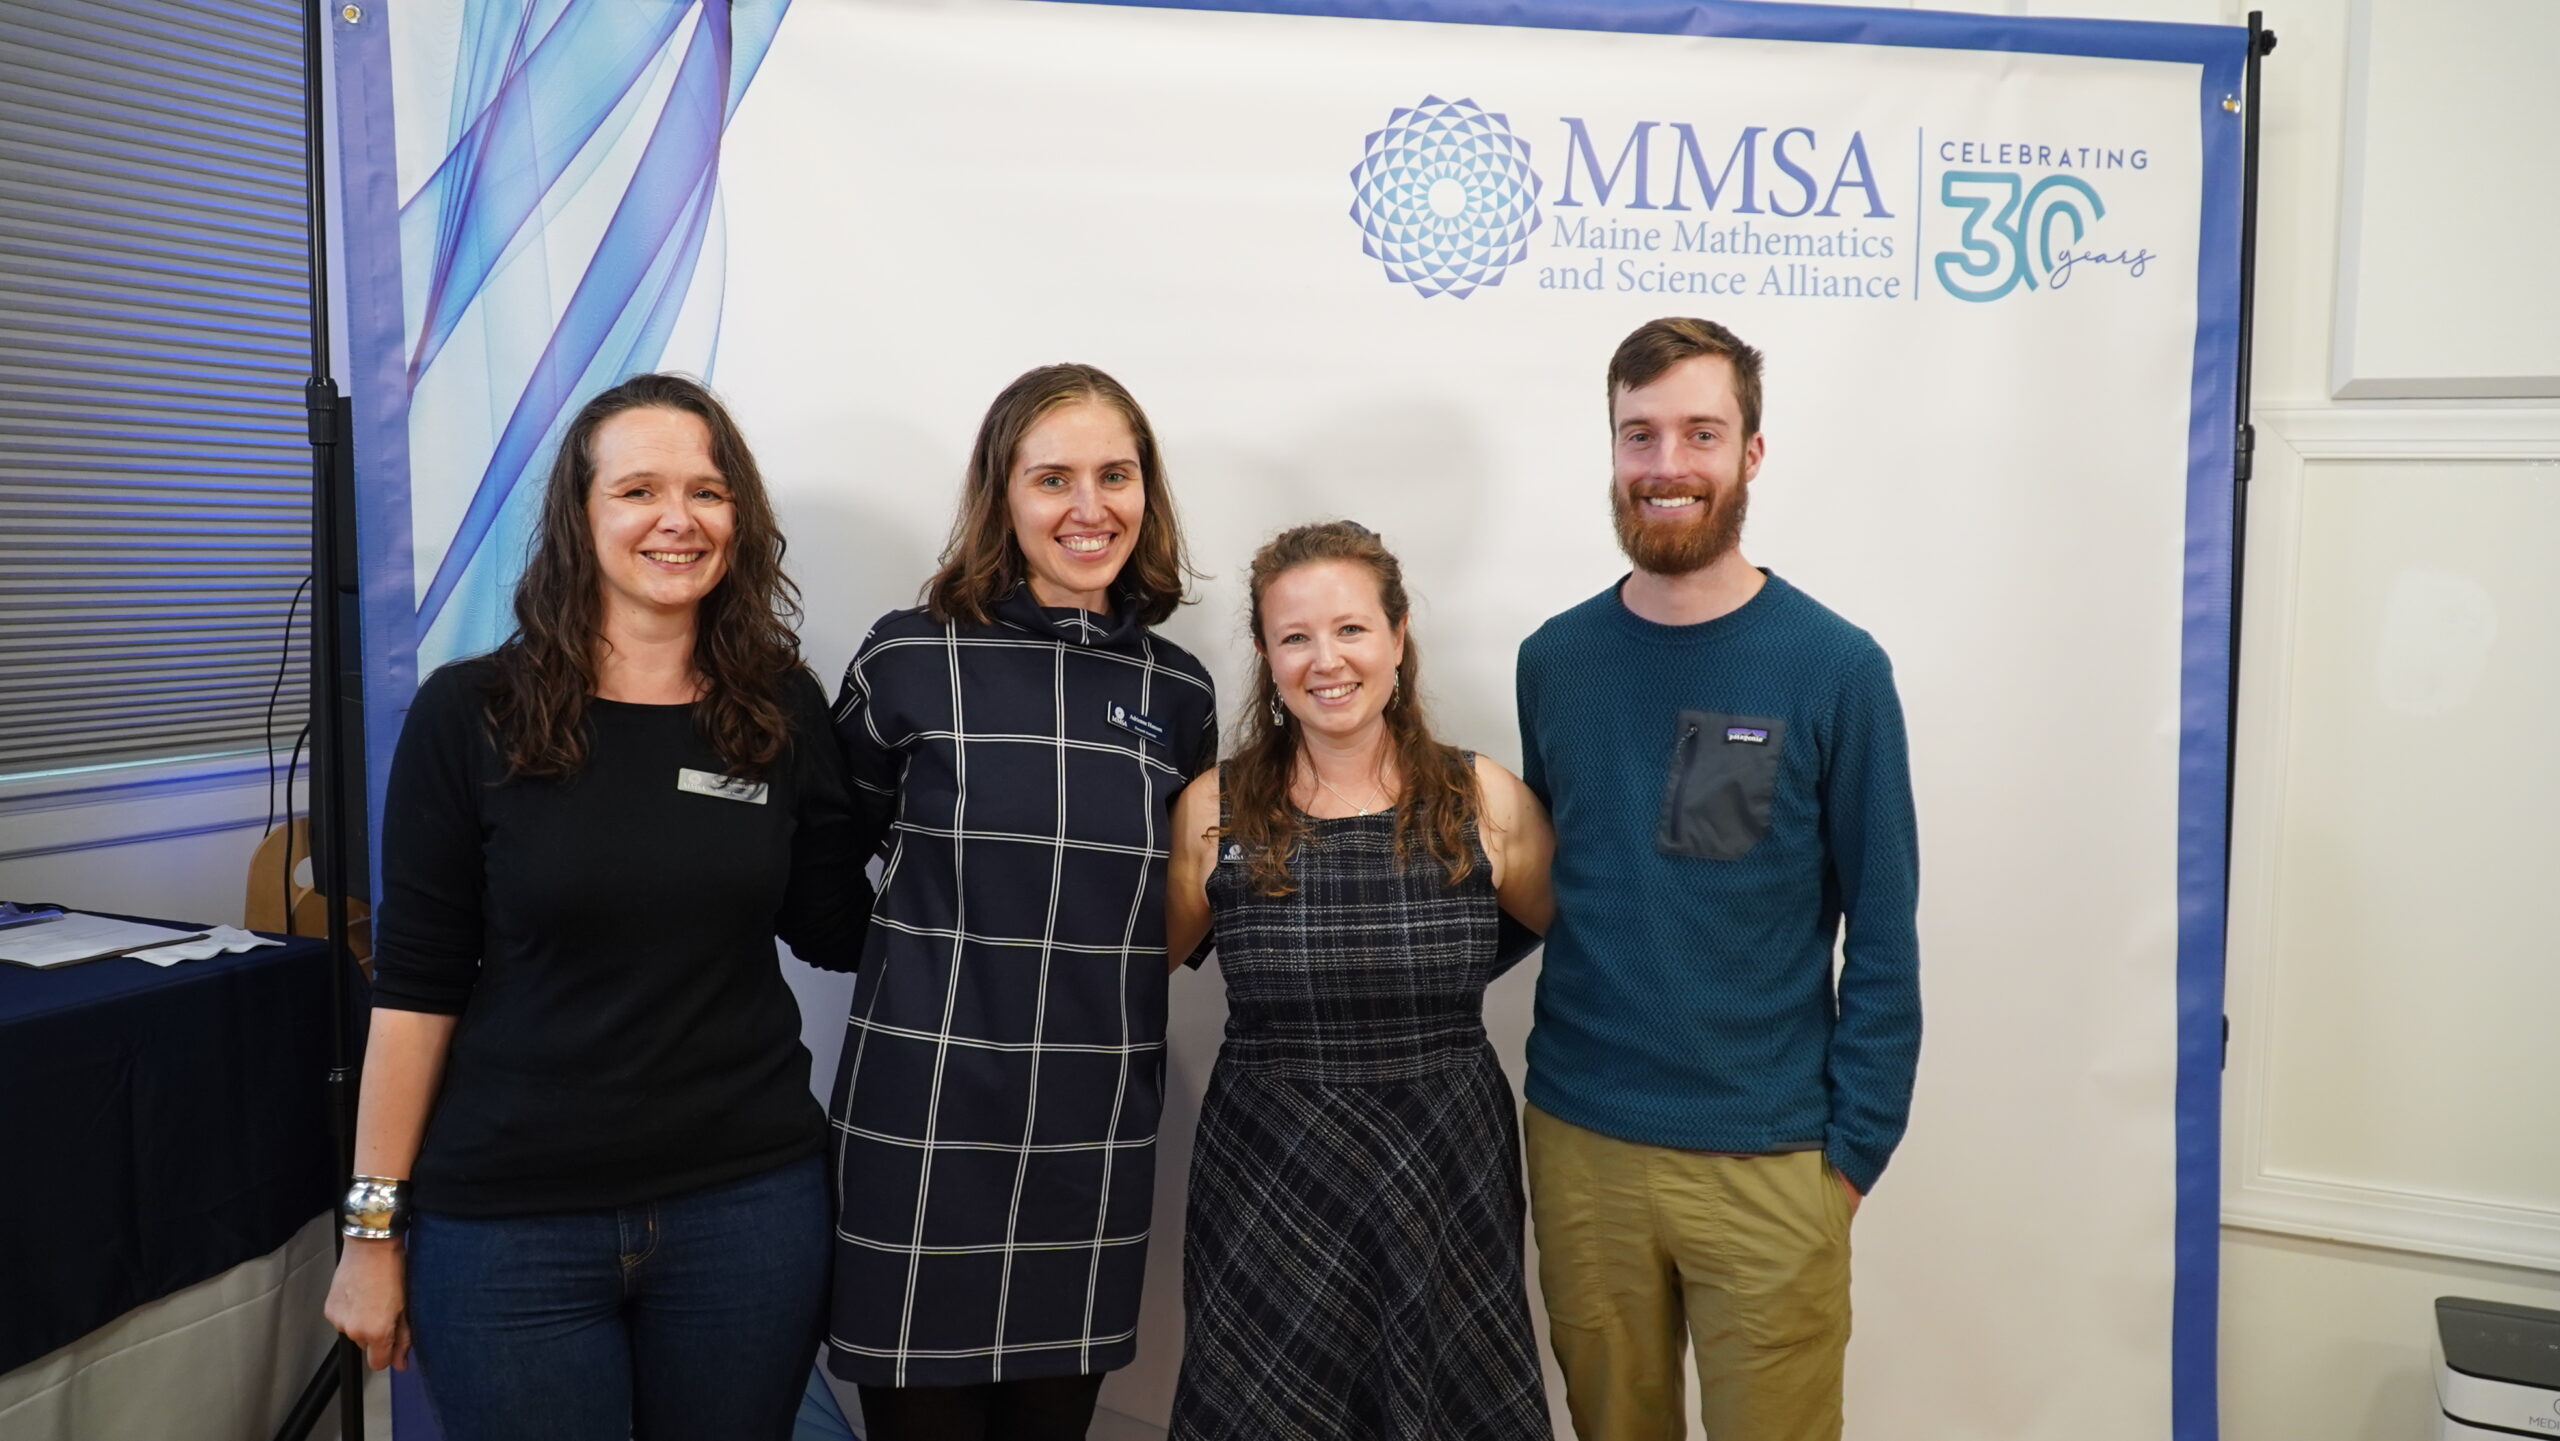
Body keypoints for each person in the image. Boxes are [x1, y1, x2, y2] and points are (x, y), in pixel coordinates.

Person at [321, 373, 871, 1440]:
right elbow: (416, 991)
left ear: (739, 518)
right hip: (511, 1227)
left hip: (746, 1208)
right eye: (638, 491)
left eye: (707, 492)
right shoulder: (470, 714)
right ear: (581, 518)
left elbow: (835, 929)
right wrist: (371, 1231)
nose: (678, 519)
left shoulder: (780, 710)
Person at [1515, 317, 1921, 1441]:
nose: (1666, 466)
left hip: (1771, 1159)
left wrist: (1846, 1163)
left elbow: (1884, 932)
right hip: (1583, 1147)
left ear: (1750, 452)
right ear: (1610, 451)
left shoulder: (1835, 669)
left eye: (1700, 432)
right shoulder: (1553, 661)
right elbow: (1562, 886)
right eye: (1638, 436)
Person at [824, 364, 1218, 1440]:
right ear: (1002, 494)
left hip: (1086, 1139)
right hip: (921, 1132)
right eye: (1052, 478)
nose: (1089, 508)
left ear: (1149, 493)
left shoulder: (1177, 691)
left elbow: (1181, 913)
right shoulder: (907, 656)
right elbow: (820, 858)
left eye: (1115, 475)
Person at [1163, 520, 1557, 1441]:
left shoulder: (1484, 799)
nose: (1325, 659)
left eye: (1350, 629)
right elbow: (1132, 973)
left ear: (1397, 635)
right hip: (1268, 1170)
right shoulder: (1212, 806)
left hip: (1445, 1159)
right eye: (1294, 636)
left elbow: (1587, 946)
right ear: (1265, 652)